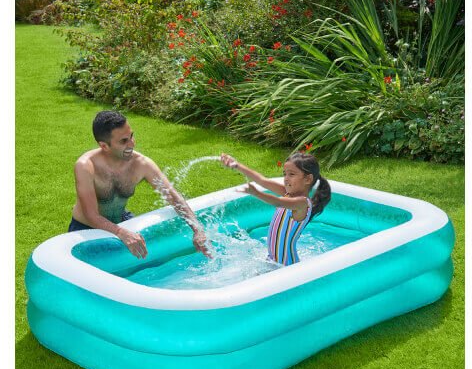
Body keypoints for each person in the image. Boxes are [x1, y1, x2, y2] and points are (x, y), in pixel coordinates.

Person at [69, 110, 211, 259]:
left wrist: (198, 229)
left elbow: (173, 197)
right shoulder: (86, 166)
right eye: (123, 141)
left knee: (154, 260)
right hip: (86, 227)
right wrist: (120, 233)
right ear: (104, 146)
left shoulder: (141, 164)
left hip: (121, 220)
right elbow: (91, 215)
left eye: (131, 136)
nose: (132, 144)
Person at [221, 152, 331, 266]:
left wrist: (256, 193)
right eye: (285, 174)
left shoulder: (303, 203)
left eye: (291, 174)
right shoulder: (287, 193)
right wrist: (236, 165)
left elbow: (278, 202)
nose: (286, 179)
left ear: (307, 179)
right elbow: (262, 180)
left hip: (286, 265)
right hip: (272, 260)